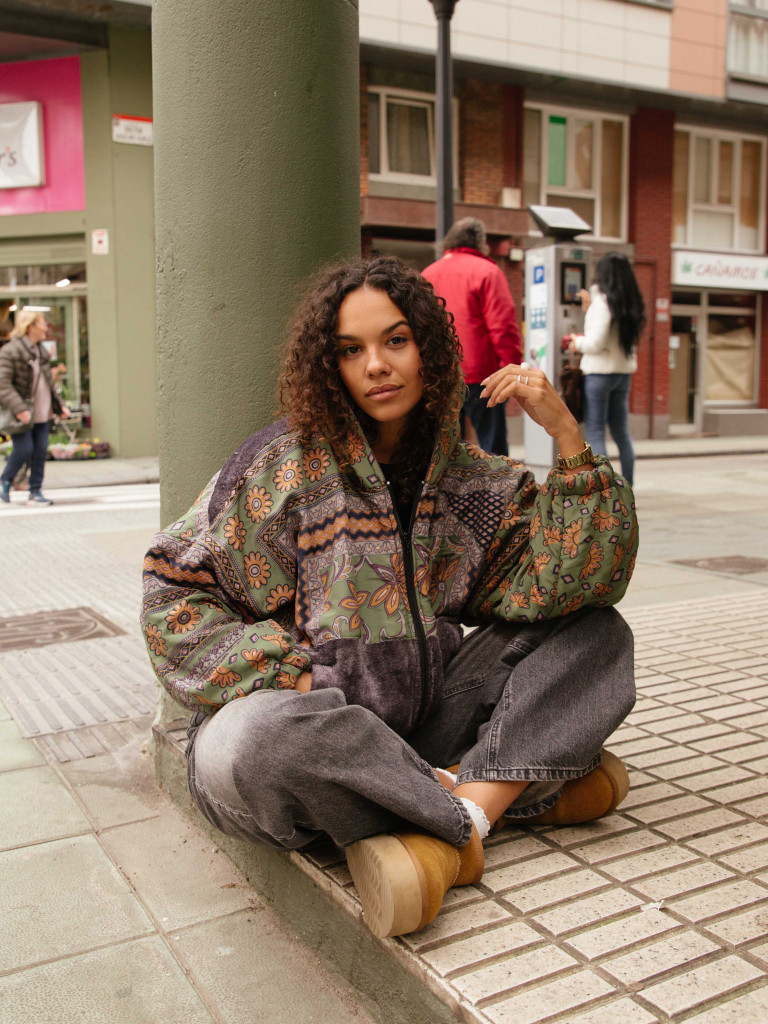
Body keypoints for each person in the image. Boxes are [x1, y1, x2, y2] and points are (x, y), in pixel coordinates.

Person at [141, 256, 638, 940]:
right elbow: (175, 594)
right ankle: (498, 796)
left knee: (598, 634)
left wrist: (568, 437)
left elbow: (576, 582)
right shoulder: (279, 468)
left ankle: (450, 821)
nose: (376, 365)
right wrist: (296, 675)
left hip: (420, 725)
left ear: (428, 349)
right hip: (313, 735)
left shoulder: (473, 482)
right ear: (330, 365)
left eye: (395, 340)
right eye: (352, 350)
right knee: (255, 743)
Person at [422, 218, 522, 456]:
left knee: (445, 446)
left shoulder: (427, 273)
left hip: (440, 373)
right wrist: (513, 369)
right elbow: (502, 327)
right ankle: (500, 492)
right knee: (493, 445)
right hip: (481, 374)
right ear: (480, 242)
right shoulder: (487, 271)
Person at [568, 252, 645, 486]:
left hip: (599, 375)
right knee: (622, 433)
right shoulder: (630, 302)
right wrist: (589, 309)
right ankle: (628, 487)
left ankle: (605, 489)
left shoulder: (603, 302)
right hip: (622, 375)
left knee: (596, 432)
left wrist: (575, 342)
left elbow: (595, 343)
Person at [0, 310, 70, 506]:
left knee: (40, 451)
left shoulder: (41, 351)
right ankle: (5, 479)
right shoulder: (11, 351)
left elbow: (47, 383)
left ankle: (35, 490)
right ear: (30, 327)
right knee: (24, 449)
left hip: (42, 410)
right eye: (42, 323)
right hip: (22, 412)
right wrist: (19, 408)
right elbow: (2, 384)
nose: (45, 327)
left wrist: (59, 407)